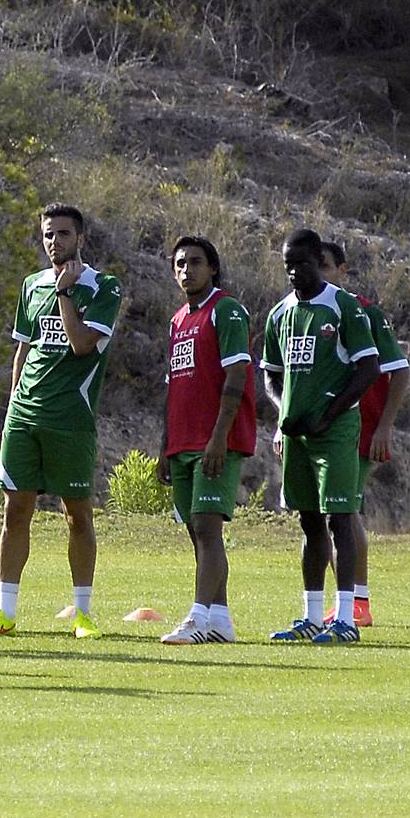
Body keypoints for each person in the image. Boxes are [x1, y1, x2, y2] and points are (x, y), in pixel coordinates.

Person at [0, 204, 123, 640]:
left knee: (76, 514)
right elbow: (24, 349)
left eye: (62, 234)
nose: (53, 241)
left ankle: (81, 613)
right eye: (47, 234)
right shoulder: (30, 285)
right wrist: (12, 406)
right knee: (14, 511)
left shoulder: (103, 287)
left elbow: (79, 345)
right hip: (25, 416)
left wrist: (65, 293)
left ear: (81, 238)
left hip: (71, 419)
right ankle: (5, 611)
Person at [260, 228, 380, 645]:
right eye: (288, 265)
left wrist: (329, 414)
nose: (294, 272)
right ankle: (311, 616)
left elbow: (368, 368)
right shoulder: (279, 314)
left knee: (339, 519)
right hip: (297, 434)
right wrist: (284, 411)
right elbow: (271, 375)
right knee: (308, 521)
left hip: (335, 431)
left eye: (303, 263)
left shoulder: (343, 307)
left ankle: (345, 618)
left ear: (319, 262)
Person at [154, 236, 256, 645]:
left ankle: (197, 617)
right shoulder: (179, 319)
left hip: (214, 441)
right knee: (197, 532)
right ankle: (220, 618)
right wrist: (164, 445)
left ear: (212, 267)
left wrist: (219, 437)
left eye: (195, 262)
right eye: (179, 264)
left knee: (207, 527)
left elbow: (236, 375)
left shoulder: (226, 310)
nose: (186, 270)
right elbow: (173, 387)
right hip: (182, 441)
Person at [316, 240, 410, 627]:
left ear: (343, 270)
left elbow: (399, 370)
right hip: (322, 428)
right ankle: (347, 598)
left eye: (324, 265)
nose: (317, 272)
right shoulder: (304, 313)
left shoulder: (364, 311)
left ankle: (358, 600)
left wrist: (384, 427)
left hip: (361, 428)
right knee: (328, 514)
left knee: (344, 510)